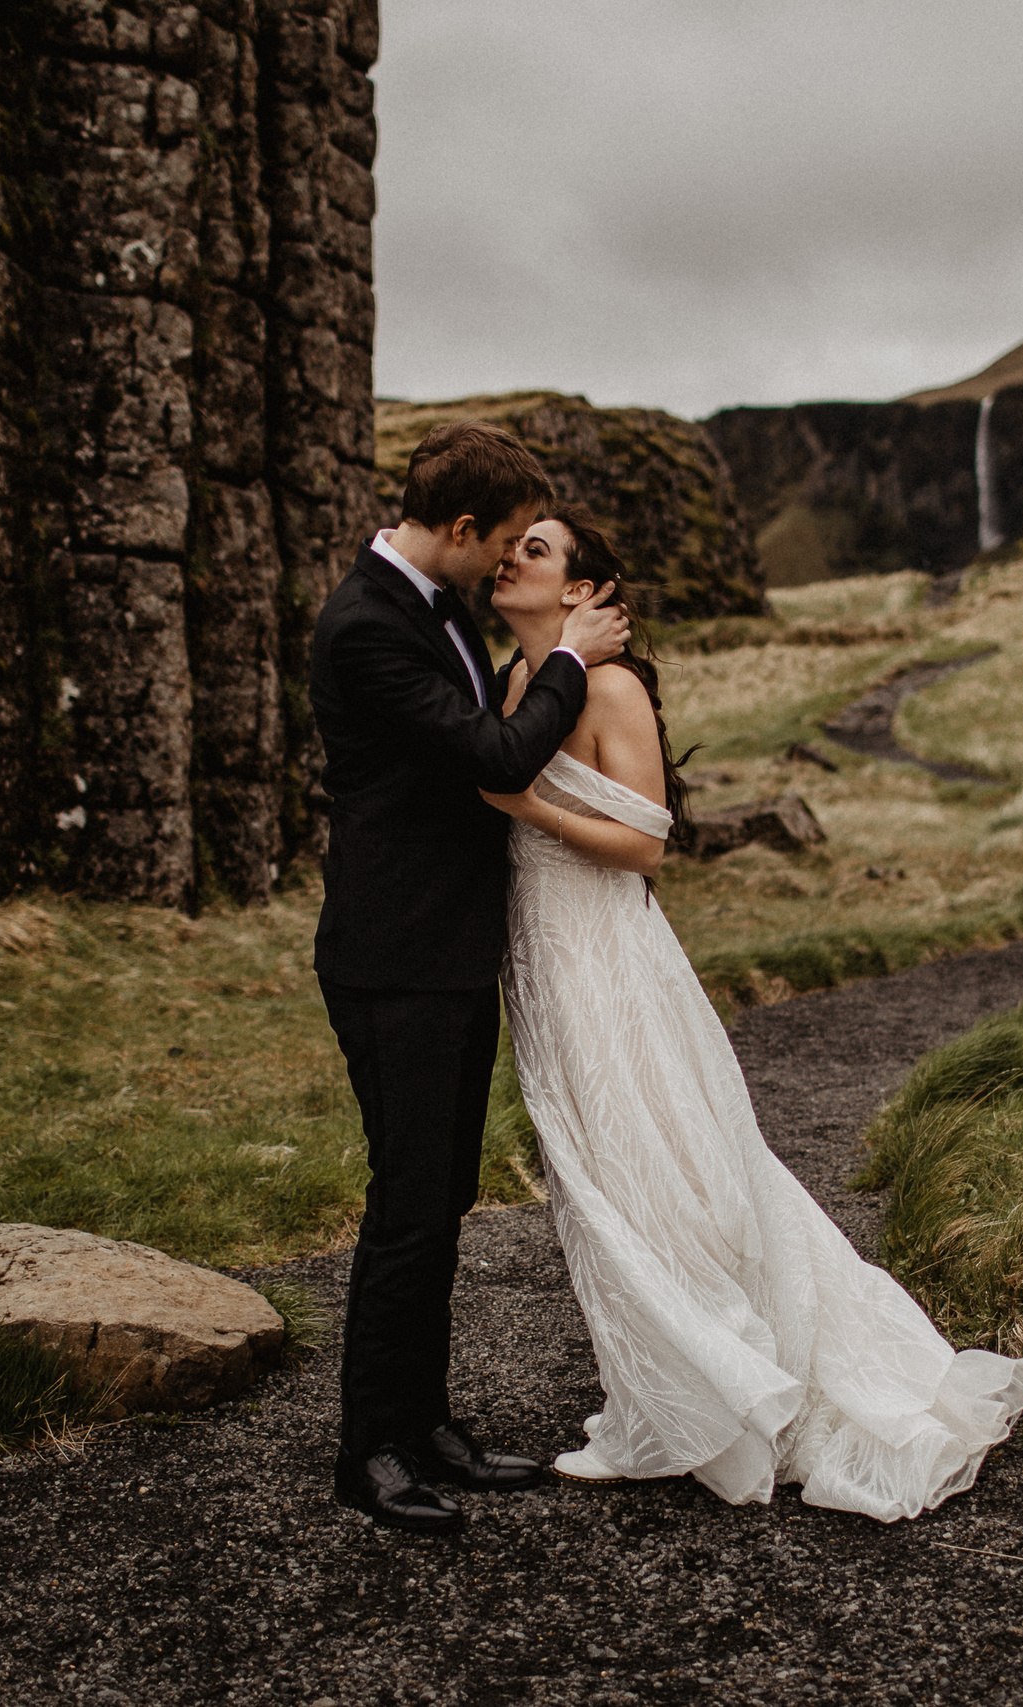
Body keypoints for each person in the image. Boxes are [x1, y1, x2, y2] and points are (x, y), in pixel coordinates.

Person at [480, 504, 1023, 1523]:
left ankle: (701, 1403)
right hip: (543, 954)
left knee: (653, 1161)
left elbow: (645, 844)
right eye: (510, 545)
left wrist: (520, 806)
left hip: (604, 948)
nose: (508, 559)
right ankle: (656, 1394)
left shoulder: (606, 686)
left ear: (576, 587)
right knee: (591, 1163)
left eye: (535, 549)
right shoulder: (519, 681)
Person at [309, 424, 631, 1535]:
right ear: (456, 529)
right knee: (406, 1207)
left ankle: (426, 1424)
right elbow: (493, 758)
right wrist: (572, 659)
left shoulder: (434, 606)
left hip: (446, 954)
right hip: (392, 958)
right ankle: (369, 1454)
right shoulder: (364, 626)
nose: (503, 565)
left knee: (440, 1200)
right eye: (497, 542)